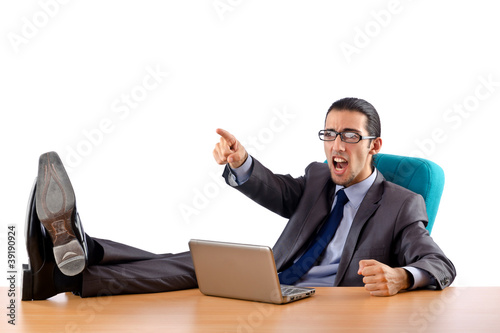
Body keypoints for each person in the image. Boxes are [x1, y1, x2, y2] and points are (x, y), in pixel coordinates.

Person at [22, 97, 455, 301]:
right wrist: (243, 161)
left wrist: (403, 277)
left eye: (348, 136)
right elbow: (278, 191)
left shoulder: (401, 202)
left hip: (320, 306)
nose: (335, 146)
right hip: (273, 279)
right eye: (329, 134)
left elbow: (439, 264)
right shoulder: (318, 177)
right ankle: (76, 258)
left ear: (374, 145)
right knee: (189, 262)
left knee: (187, 274)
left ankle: (54, 274)